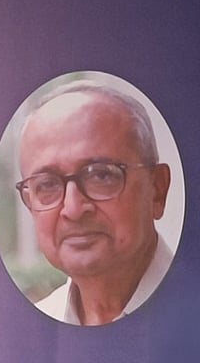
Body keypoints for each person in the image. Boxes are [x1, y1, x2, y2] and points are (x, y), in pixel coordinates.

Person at [15, 80, 173, 326]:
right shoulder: (29, 332)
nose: (73, 209)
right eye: (47, 184)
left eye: (101, 175)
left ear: (157, 190)